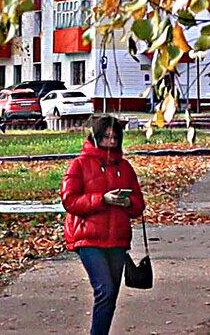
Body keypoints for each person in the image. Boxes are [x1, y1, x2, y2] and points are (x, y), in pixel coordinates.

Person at [60, 115, 146, 335]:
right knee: (105, 290)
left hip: (117, 238)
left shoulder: (124, 167)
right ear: (96, 138)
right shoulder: (79, 164)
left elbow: (138, 205)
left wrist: (127, 202)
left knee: (111, 294)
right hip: (87, 237)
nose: (111, 142)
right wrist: (102, 199)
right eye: (106, 137)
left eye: (115, 138)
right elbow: (69, 200)